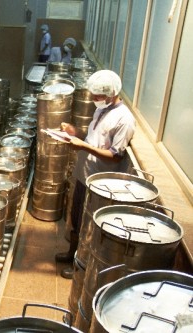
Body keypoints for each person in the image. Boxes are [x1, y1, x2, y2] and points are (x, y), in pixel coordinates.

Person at [54, 70, 136, 279]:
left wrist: (82, 146)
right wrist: (75, 133)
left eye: (97, 96)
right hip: (85, 176)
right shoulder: (101, 111)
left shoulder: (124, 119)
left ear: (112, 93)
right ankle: (72, 254)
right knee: (76, 219)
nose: (93, 99)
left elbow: (115, 156)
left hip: (100, 183)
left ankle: (80, 267)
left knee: (89, 227)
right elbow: (92, 140)